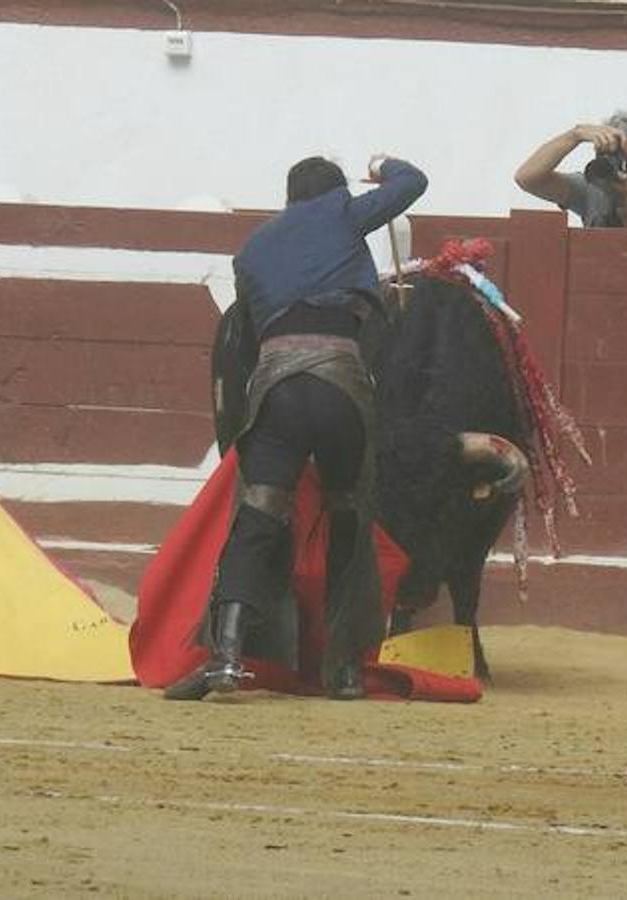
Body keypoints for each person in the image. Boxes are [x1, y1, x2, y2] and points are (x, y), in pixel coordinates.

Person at [163, 154, 427, 702]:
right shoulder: (342, 215)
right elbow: (413, 183)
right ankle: (345, 667)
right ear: (335, 195)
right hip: (341, 384)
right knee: (349, 516)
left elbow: (248, 333)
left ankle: (226, 658)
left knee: (256, 517)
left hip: (276, 389)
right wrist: (384, 164)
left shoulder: (253, 249)